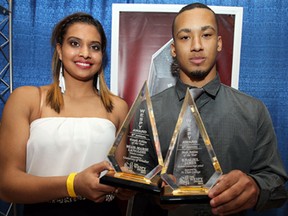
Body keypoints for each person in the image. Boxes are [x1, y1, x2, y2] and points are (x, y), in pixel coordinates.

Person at [130, 3, 288, 216]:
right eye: (185, 37)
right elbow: (136, 181)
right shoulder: (147, 109)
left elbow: (277, 186)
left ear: (219, 43)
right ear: (173, 49)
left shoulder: (253, 110)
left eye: (206, 34)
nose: (196, 45)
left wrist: (256, 188)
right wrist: (153, 191)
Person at [0, 12, 131, 216]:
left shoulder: (118, 107)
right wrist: (73, 184)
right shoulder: (27, 99)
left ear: (102, 55)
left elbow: (119, 176)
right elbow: (7, 185)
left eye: (94, 47)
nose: (85, 53)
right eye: (75, 43)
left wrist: (125, 187)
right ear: (60, 50)